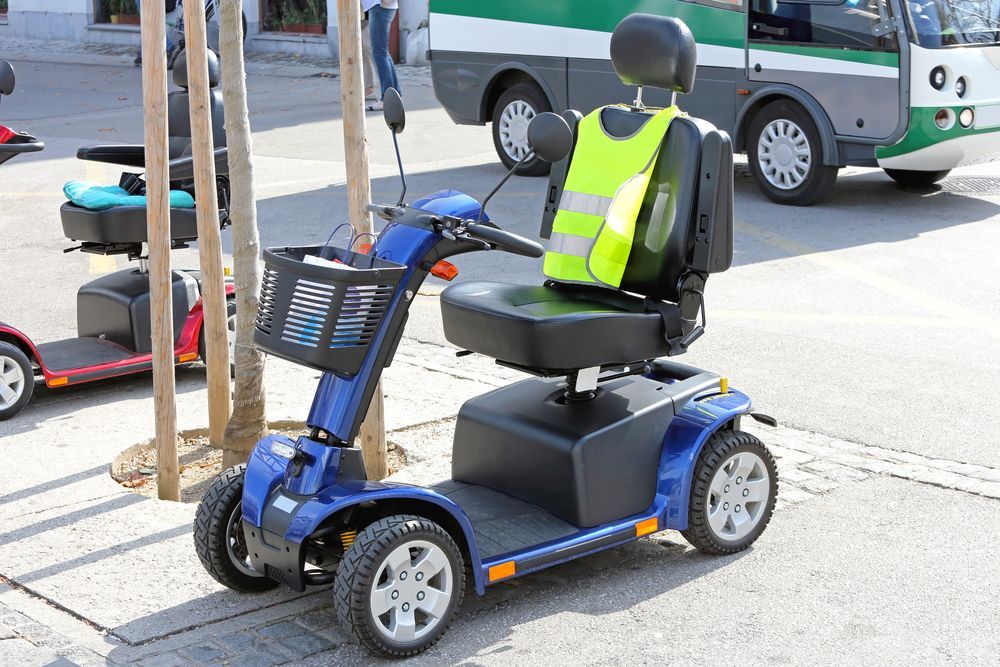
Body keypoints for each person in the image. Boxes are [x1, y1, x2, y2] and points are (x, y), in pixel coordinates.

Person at [362, 0, 399, 111]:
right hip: (383, 6)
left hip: (379, 6)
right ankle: (395, 94)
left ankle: (386, 99)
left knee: (379, 53)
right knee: (382, 53)